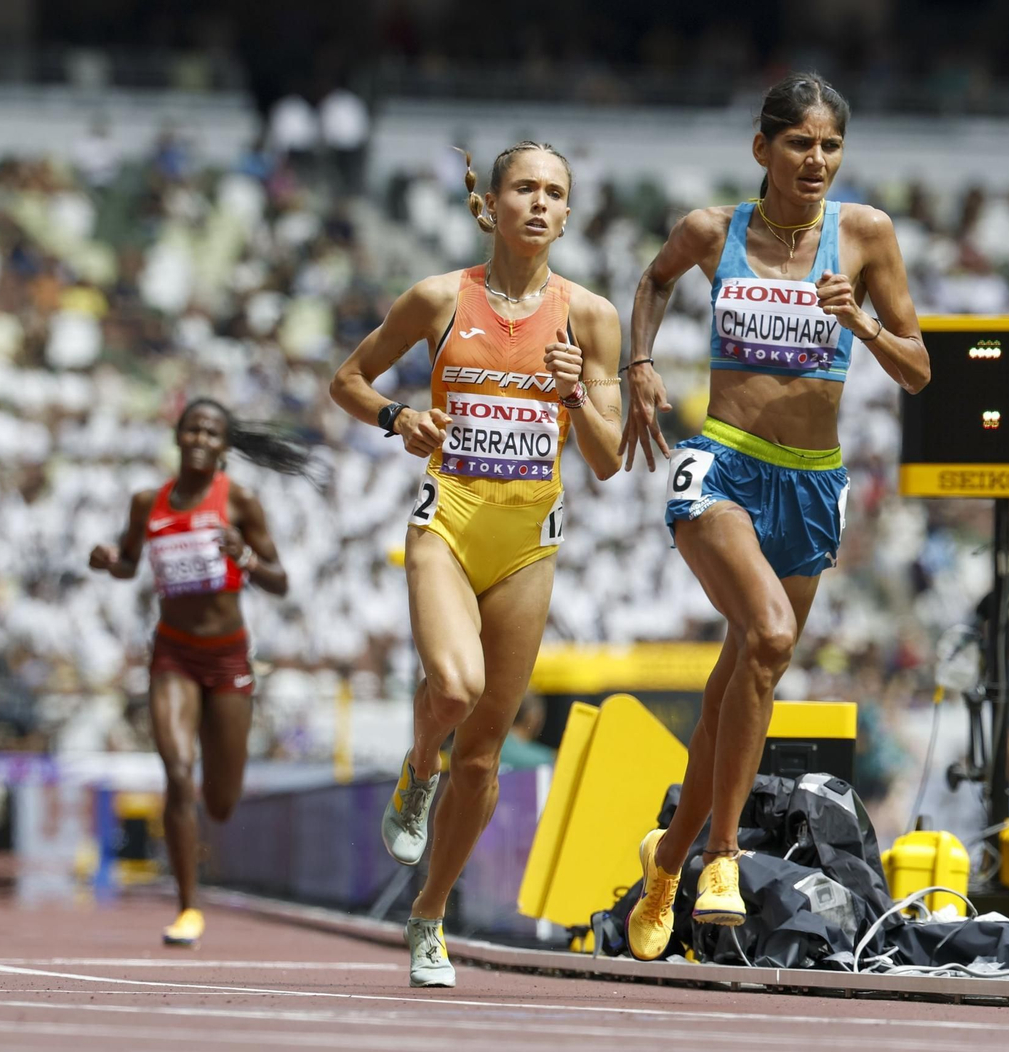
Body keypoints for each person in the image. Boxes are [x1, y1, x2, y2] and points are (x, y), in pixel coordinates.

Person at [621, 72, 930, 961]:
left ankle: (665, 861)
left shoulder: (866, 235)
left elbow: (920, 370)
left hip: (810, 480)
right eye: (801, 143)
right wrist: (639, 365)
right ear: (764, 149)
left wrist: (863, 325)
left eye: (831, 146)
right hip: (722, 463)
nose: (819, 161)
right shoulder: (711, 230)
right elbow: (654, 279)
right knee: (763, 635)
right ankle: (720, 857)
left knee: (739, 681)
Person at [330, 141, 622, 987]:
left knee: (487, 755)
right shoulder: (436, 299)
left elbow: (605, 460)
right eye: (524, 188)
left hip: (529, 543)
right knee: (452, 691)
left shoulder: (591, 319)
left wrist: (573, 394)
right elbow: (346, 379)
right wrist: (397, 419)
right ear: (489, 205)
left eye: (555, 192)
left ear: (569, 215)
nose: (539, 202)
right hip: (448, 525)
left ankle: (430, 916)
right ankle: (418, 769)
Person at [88, 398, 309, 947]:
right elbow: (128, 565)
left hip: (229, 658)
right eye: (192, 430)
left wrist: (248, 560)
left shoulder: (240, 501)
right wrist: (107, 560)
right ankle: (188, 908)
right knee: (178, 772)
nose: (200, 440)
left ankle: (198, 856)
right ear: (178, 437)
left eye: (212, 433)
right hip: (173, 655)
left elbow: (282, 582)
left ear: (225, 446)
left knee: (220, 800)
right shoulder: (149, 502)